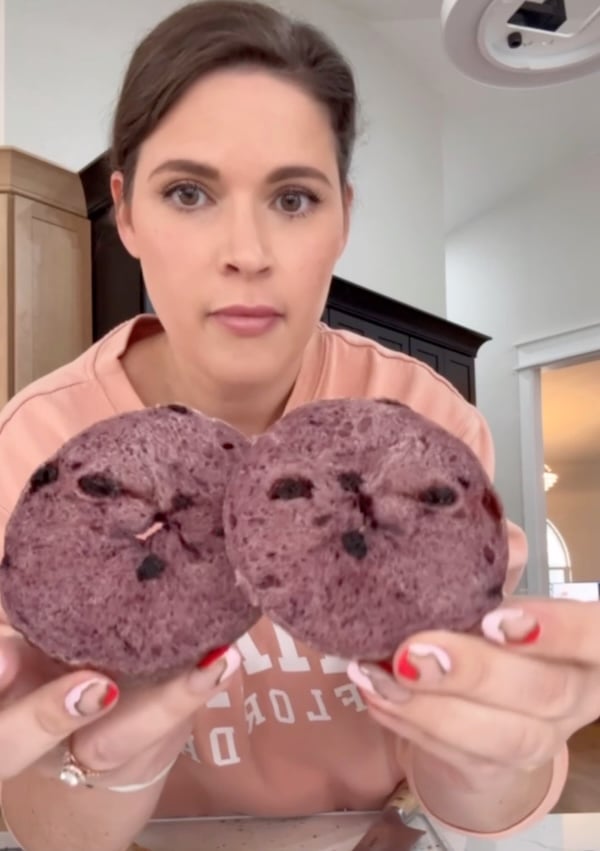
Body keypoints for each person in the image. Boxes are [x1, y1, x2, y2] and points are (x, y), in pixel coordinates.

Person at [0, 2, 597, 848]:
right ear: (127, 213)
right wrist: (109, 757)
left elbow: (475, 807)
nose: (246, 249)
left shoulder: (421, 423)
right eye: (189, 192)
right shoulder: (37, 447)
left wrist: (494, 748)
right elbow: (50, 825)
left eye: (291, 196)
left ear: (342, 218)